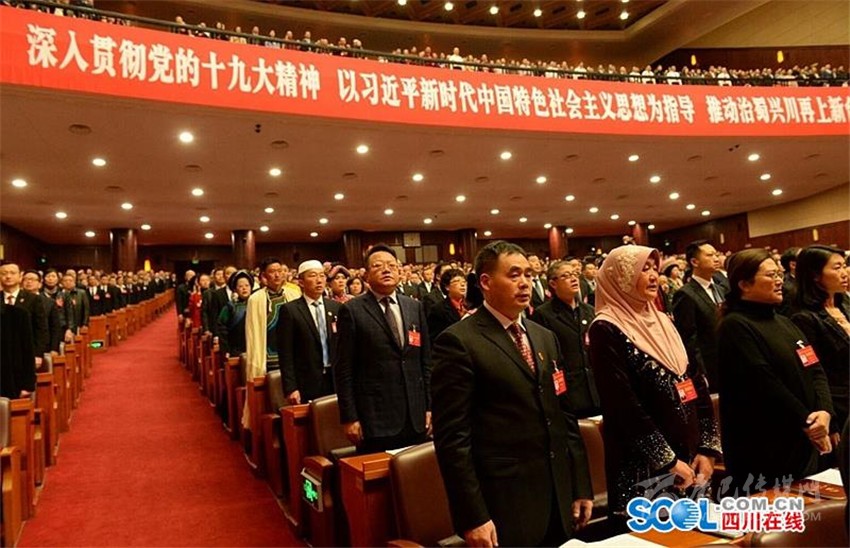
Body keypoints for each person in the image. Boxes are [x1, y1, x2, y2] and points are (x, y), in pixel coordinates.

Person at [432, 241, 593, 547]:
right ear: (485, 282)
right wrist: (473, 516)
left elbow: (564, 416)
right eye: (514, 274)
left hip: (558, 495)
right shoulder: (459, 341)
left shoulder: (545, 337)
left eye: (529, 275)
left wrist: (580, 485)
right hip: (505, 502)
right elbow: (453, 440)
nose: (525, 283)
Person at [589, 245, 720, 518]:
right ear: (620, 278)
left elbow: (696, 382)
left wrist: (707, 449)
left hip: (691, 455)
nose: (653, 276)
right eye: (642, 269)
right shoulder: (605, 328)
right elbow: (623, 405)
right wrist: (667, 460)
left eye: (654, 268)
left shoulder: (663, 320)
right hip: (643, 466)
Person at [718, 248, 835, 494]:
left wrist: (825, 412)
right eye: (771, 275)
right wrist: (808, 422)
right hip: (765, 445)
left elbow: (815, 369)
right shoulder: (735, 326)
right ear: (744, 284)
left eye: (779, 274)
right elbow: (764, 382)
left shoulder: (785, 322)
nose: (780, 280)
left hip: (802, 438)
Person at [333, 244, 431, 453]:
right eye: (378, 266)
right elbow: (343, 369)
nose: (386, 270)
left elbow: (425, 362)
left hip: (415, 415)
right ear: (366, 275)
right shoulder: (351, 310)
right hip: (375, 418)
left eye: (392, 266)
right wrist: (349, 417)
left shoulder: (414, 306)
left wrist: (430, 406)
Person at [791, 245, 848, 439]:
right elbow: (813, 373)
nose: (845, 273)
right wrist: (831, 421)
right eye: (837, 267)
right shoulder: (804, 318)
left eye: (844, 266)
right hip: (839, 406)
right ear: (815, 275)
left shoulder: (845, 305)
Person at [531, 260, 601, 418]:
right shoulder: (543, 314)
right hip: (568, 392)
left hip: (595, 388)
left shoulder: (590, 311)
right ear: (553, 283)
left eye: (575, 274)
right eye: (566, 276)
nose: (574, 279)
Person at [278, 260, 340, 404]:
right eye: (313, 276)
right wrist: (291, 387)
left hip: (335, 379)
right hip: (306, 381)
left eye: (322, 276)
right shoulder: (290, 310)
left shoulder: (336, 308)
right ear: (301, 282)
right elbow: (285, 353)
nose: (319, 280)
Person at [672, 240, 725, 390]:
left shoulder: (721, 289)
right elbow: (689, 339)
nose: (716, 258)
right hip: (710, 367)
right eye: (710, 255)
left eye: (716, 254)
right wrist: (701, 373)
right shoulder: (685, 294)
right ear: (694, 262)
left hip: (729, 360)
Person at [1, 262, 49, 363]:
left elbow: (41, 328)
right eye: (4, 273)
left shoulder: (33, 299)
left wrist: (38, 354)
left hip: (25, 352)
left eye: (12, 273)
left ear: (20, 277)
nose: (8, 276)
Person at [215, 270, 253, 359]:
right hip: (236, 350)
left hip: (255, 348)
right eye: (240, 286)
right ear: (235, 289)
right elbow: (221, 328)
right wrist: (226, 350)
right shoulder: (230, 306)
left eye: (247, 285)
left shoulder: (257, 304)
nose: (244, 288)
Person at [426, 268, 467, 345]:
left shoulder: (471, 306)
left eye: (464, 282)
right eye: (457, 281)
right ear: (447, 287)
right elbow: (435, 338)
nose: (462, 284)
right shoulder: (438, 309)